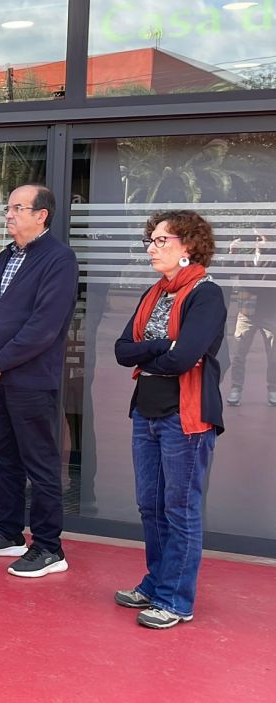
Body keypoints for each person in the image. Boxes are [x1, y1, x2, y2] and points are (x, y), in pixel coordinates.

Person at [113, 210, 226, 629]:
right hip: (147, 407)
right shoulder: (154, 292)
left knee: (180, 508)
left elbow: (184, 358)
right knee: (150, 504)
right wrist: (164, 344)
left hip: (186, 414)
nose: (152, 247)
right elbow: (123, 350)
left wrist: (158, 348)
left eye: (162, 240)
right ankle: (156, 582)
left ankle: (176, 600)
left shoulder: (205, 294)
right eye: (151, 240)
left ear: (189, 246)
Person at [0, 184, 78, 578]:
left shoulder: (59, 259)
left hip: (30, 380)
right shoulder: (4, 258)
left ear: (41, 214)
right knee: (4, 460)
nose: (7, 215)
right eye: (7, 207)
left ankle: (49, 547)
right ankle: (8, 533)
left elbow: (44, 326)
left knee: (41, 464)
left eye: (17, 208)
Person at [224, 230, 276, 407]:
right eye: (255, 238)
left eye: (260, 237)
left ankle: (273, 390)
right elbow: (227, 271)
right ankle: (236, 389)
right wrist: (232, 252)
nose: (257, 240)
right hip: (246, 313)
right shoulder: (244, 257)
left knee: (274, 355)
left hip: (269, 312)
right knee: (239, 353)